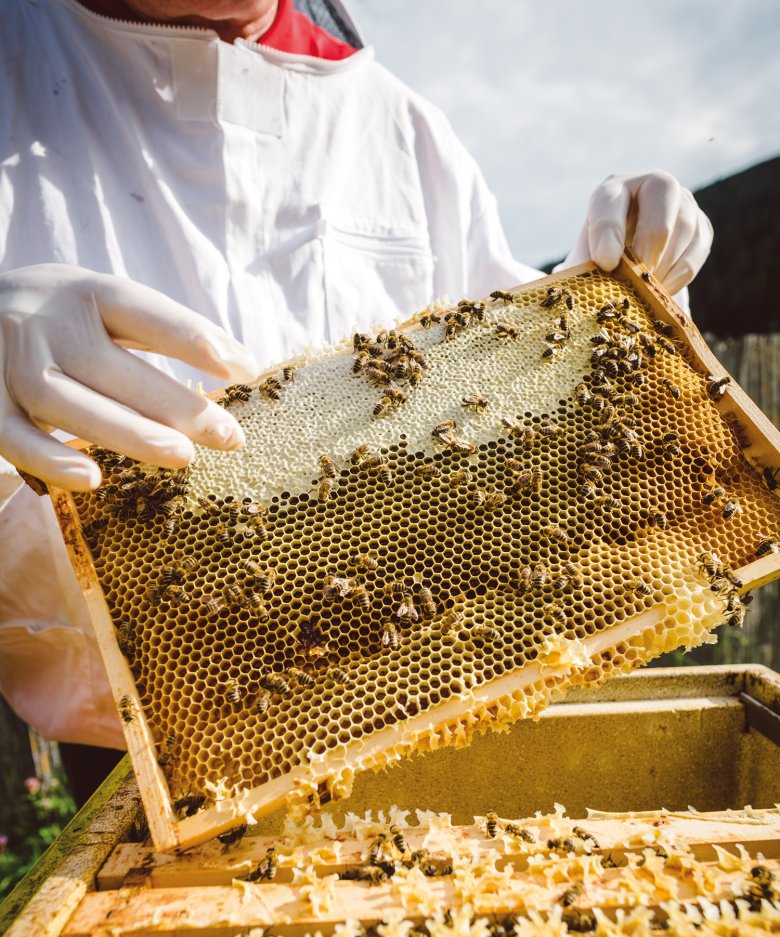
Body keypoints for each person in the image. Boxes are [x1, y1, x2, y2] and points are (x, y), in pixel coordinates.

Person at [0, 0, 713, 792]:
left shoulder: (404, 127)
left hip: (451, 701)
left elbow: (517, 370)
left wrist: (617, 294)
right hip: (161, 751)